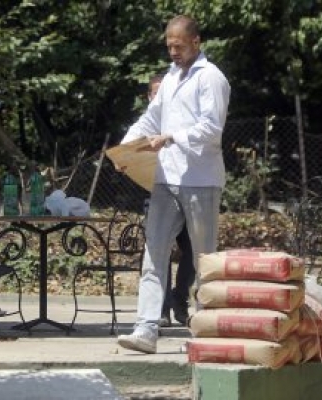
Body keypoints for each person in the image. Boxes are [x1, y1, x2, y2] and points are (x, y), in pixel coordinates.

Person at [116, 15, 230, 353]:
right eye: (169, 46)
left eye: (178, 46)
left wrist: (170, 137)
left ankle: (205, 333)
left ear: (196, 41)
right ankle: (146, 329)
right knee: (154, 252)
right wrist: (125, 149)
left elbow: (212, 128)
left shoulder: (211, 78)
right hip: (166, 178)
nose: (173, 52)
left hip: (201, 180)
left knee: (204, 259)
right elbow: (150, 118)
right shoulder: (169, 78)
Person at [144, 74, 196, 328]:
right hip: (155, 194)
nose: (160, 97)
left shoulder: (181, 121)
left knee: (193, 251)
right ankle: (161, 309)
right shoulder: (146, 124)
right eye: (156, 93)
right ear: (149, 97)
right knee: (159, 251)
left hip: (185, 192)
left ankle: (180, 299)